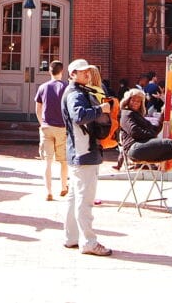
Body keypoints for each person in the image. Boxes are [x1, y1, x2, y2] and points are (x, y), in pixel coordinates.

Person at [61, 58, 112, 256]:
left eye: (88, 72)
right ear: (72, 74)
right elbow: (79, 116)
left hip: (78, 151)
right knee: (85, 199)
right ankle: (89, 242)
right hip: (84, 151)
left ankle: (71, 237)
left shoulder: (75, 91)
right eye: (83, 72)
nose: (87, 75)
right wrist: (101, 109)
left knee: (75, 197)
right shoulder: (75, 93)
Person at [118, 89, 172, 163]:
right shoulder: (126, 113)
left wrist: (163, 114)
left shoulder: (138, 115)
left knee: (171, 153)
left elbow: (155, 129)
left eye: (138, 101)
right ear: (127, 101)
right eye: (133, 100)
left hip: (142, 147)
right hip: (134, 148)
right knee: (168, 144)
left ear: (141, 104)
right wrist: (152, 134)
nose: (135, 103)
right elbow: (134, 132)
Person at [34, 60, 69, 201]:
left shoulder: (43, 87)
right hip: (62, 127)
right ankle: (64, 186)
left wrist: (42, 123)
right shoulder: (67, 87)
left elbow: (38, 109)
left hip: (47, 127)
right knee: (63, 161)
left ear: (50, 71)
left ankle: (48, 191)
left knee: (47, 161)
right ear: (62, 71)